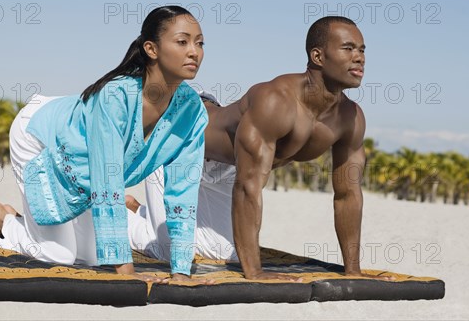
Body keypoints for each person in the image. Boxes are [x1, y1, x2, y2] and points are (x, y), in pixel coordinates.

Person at [127, 16, 391, 281]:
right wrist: (254, 272)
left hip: (228, 166)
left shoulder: (350, 118)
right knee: (172, 251)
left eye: (362, 49)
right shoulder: (277, 102)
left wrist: (353, 271)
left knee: (224, 251)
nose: (359, 57)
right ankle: (105, 211)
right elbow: (248, 186)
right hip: (180, 136)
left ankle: (141, 209)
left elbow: (348, 195)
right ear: (318, 56)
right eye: (348, 48)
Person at [0, 6, 208, 282]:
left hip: (85, 167)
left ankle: (27, 222)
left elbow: (183, 189)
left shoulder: (192, 111)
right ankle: (2, 219)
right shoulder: (115, 97)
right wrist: (127, 273)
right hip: (41, 135)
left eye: (200, 42)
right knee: (57, 256)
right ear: (152, 49)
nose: (194, 51)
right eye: (182, 42)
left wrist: (181, 271)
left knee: (93, 258)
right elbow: (107, 181)